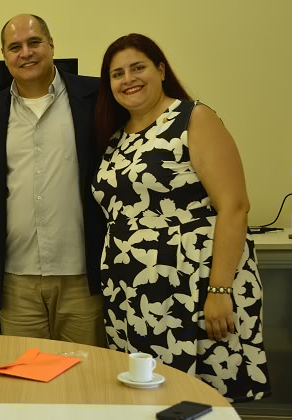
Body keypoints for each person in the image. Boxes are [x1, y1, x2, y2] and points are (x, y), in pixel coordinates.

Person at [91, 33, 271, 401]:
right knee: (148, 394)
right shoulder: (117, 137)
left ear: (160, 70)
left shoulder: (193, 117)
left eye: (137, 68)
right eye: (117, 73)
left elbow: (234, 206)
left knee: (200, 396)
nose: (128, 79)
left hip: (194, 284)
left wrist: (219, 290)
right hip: (135, 290)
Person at [0, 14, 106, 345]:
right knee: (26, 384)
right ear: (4, 55)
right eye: (15, 47)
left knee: (84, 379)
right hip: (17, 279)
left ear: (51, 44)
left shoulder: (95, 97)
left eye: (34, 42)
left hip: (82, 274)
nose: (26, 53)